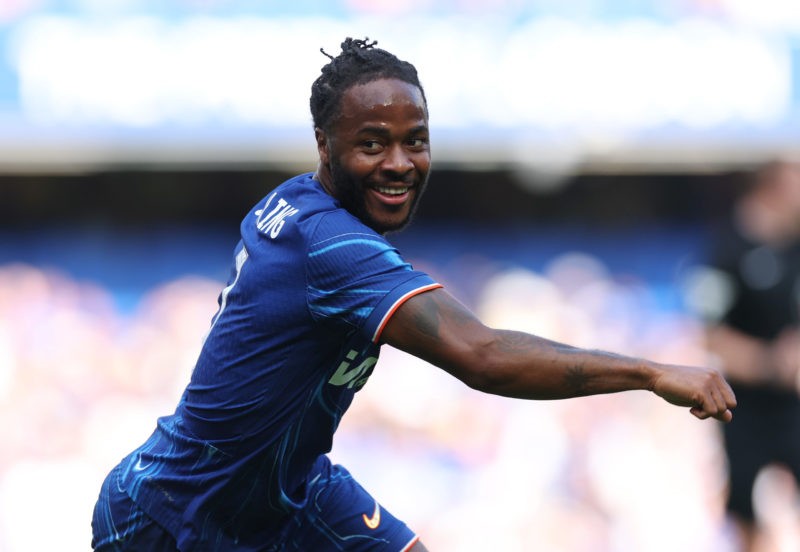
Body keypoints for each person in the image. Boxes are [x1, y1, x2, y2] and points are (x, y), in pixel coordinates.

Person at [91, 37, 736, 552]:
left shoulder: (295, 203)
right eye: (372, 143)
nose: (399, 163)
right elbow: (481, 355)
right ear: (325, 145)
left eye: (415, 140)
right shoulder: (330, 245)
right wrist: (649, 371)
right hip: (178, 516)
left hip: (288, 490)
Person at [703, 161, 800, 551]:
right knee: (744, 503)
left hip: (793, 404)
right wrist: (771, 363)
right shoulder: (725, 250)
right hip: (742, 405)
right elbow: (710, 334)